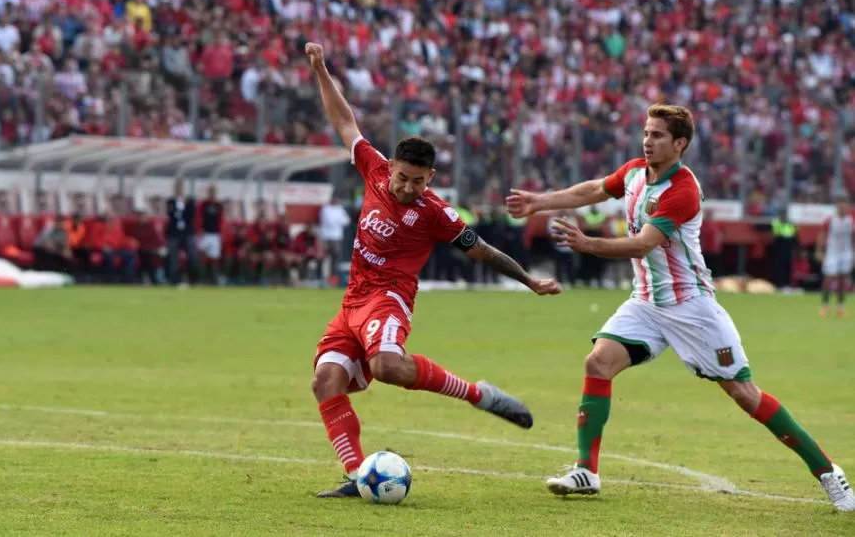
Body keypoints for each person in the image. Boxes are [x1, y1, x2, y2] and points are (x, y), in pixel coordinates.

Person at [505, 103, 855, 512]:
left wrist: (589, 244)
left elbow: (643, 242)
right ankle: (587, 470)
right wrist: (540, 202)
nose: (647, 141)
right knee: (598, 363)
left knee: (744, 394)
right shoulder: (636, 171)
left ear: (680, 143)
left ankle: (829, 472)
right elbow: (595, 189)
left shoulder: (683, 190)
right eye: (646, 133)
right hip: (647, 303)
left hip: (692, 308)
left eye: (657, 135)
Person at [304, 42, 562, 499]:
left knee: (385, 366)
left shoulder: (436, 214)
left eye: (418, 181)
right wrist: (321, 69)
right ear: (393, 168)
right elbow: (345, 121)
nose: (406, 187)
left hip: (390, 298)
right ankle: (358, 475)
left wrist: (530, 282)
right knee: (325, 381)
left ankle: (477, 394)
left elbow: (482, 251)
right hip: (352, 302)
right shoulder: (374, 168)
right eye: (403, 178)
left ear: (431, 180)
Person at [817, 196, 853, 317]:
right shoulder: (830, 220)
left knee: (842, 280)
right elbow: (822, 234)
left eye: (845, 205)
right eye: (841, 205)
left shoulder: (851, 220)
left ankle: (840, 307)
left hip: (846, 253)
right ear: (837, 206)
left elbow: (853, 237)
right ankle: (824, 306)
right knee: (829, 278)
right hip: (832, 253)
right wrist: (819, 250)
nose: (844, 208)